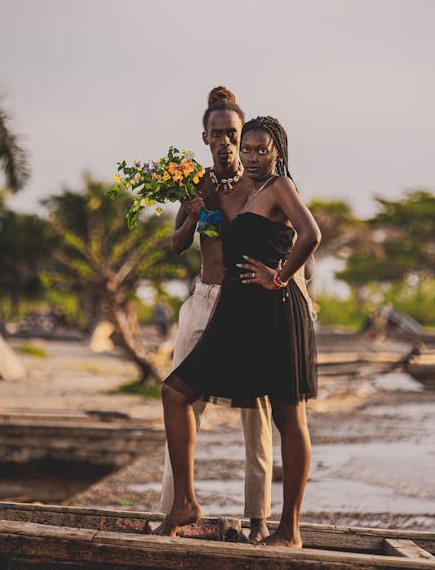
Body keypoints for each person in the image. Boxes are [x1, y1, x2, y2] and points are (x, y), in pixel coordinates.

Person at [161, 116, 321, 547]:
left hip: (276, 313)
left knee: (288, 418)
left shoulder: (280, 188)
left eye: (260, 149)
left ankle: (288, 529)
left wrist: (280, 276)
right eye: (246, 149)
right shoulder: (234, 192)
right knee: (175, 391)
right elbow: (213, 241)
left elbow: (311, 234)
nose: (251, 156)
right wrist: (201, 204)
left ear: (277, 153)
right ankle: (185, 502)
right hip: (235, 314)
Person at [160, 87, 272, 543]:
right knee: (181, 402)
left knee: (257, 412)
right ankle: (172, 508)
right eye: (217, 134)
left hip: (247, 301)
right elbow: (176, 244)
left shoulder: (261, 185)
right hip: (204, 300)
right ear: (204, 137)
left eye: (233, 133)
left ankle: (259, 520)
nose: (225, 142)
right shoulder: (194, 183)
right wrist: (190, 214)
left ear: (243, 136)